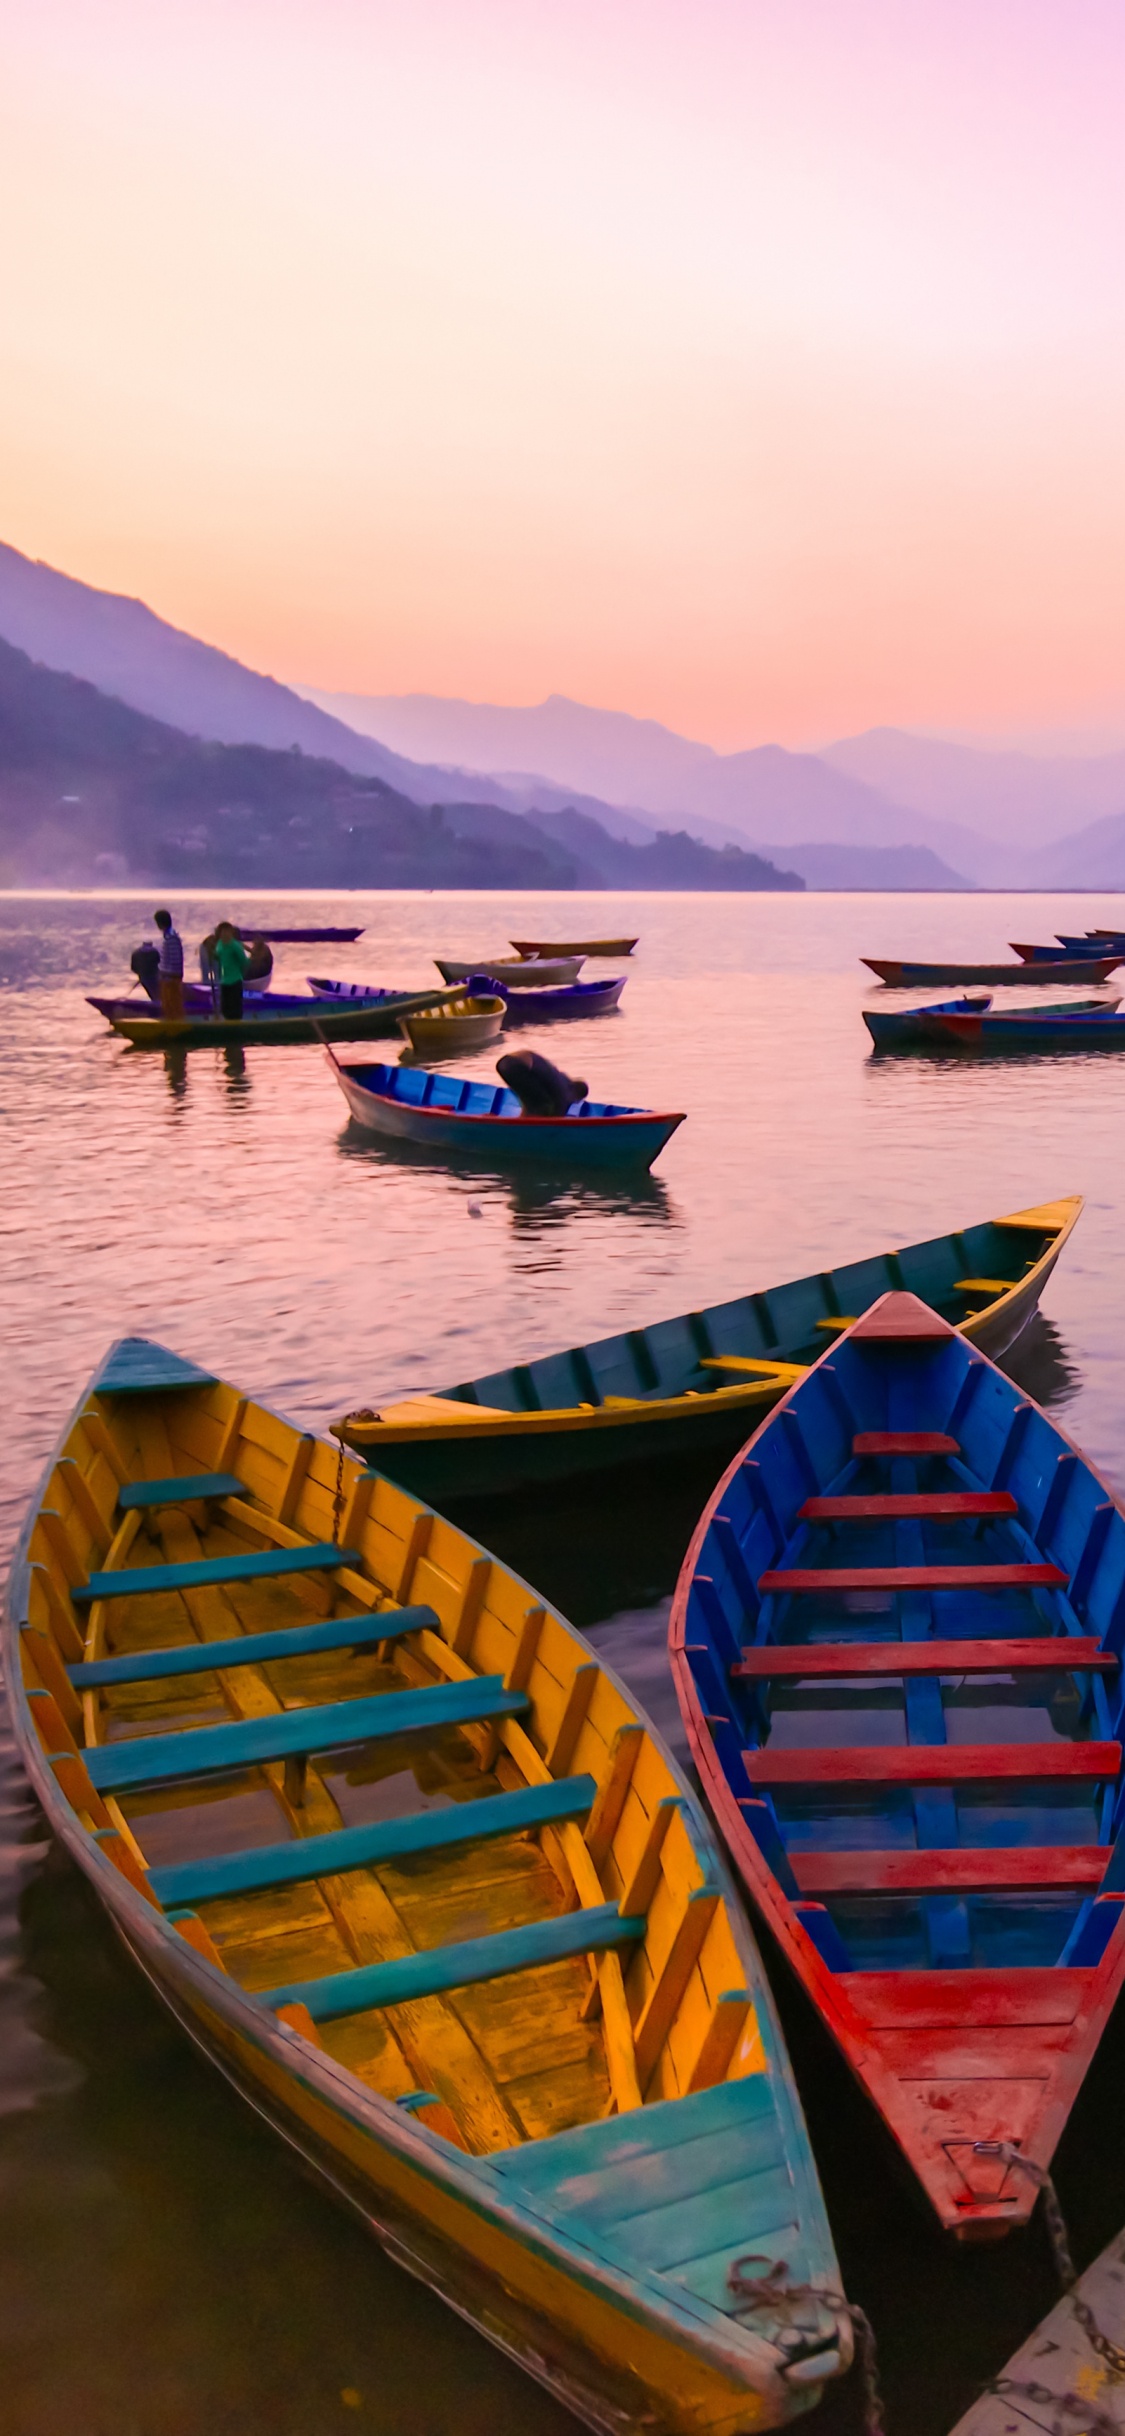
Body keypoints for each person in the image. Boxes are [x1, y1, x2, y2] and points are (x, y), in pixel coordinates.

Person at [496, 1049, 588, 1116]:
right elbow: (558, 1115)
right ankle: (525, 1128)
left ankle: (520, 1123)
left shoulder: (561, 1079)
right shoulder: (566, 1092)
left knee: (531, 1100)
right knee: (543, 1105)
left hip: (503, 1063)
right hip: (516, 1065)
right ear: (577, 1097)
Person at [212, 920, 250, 1021]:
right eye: (222, 932)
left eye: (227, 932)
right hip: (224, 981)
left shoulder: (235, 946)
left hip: (235, 980)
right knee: (225, 1009)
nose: (225, 934)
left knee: (235, 1010)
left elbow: (244, 962)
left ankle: (237, 1027)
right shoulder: (219, 944)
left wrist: (241, 972)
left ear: (231, 933)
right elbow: (218, 956)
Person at [154, 909, 184, 1020]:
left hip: (171, 978)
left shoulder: (171, 937)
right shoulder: (168, 936)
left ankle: (176, 1024)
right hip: (167, 977)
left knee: (173, 1005)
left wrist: (165, 973)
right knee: (168, 1006)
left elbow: (175, 959)